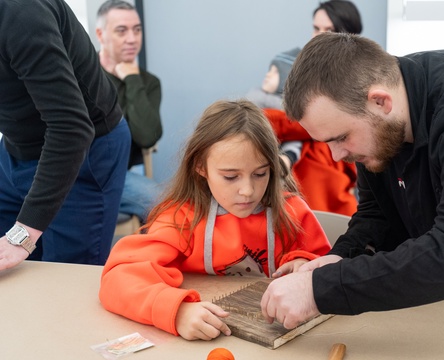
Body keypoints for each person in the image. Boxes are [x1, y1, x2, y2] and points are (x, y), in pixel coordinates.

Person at [260, 32, 444, 329]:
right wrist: (342, 257)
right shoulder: (386, 117)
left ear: (380, 101)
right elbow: (380, 214)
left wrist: (320, 290)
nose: (337, 155)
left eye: (341, 137)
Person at [99, 99, 331, 340]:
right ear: (200, 166)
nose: (247, 190)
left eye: (260, 174)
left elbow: (330, 268)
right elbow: (119, 278)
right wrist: (176, 312)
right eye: (231, 177)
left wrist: (306, 263)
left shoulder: (292, 213)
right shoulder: (181, 219)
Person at [0, 0, 130, 269]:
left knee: (65, 281)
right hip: (14, 148)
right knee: (11, 276)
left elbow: (71, 127)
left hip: (83, 150)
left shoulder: (21, 13)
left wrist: (23, 233)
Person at [247, 0, 363, 216]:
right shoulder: (293, 61)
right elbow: (262, 117)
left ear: (350, 34)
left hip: (328, 158)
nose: (319, 36)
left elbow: (344, 123)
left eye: (329, 30)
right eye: (316, 28)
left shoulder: (359, 73)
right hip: (290, 147)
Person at [96, 0, 162, 222]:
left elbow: (147, 136)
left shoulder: (147, 82)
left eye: (137, 30)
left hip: (117, 176)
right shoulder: (83, 73)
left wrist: (132, 80)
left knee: (164, 202)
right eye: (121, 31)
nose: (132, 39)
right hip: (74, 173)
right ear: (100, 34)